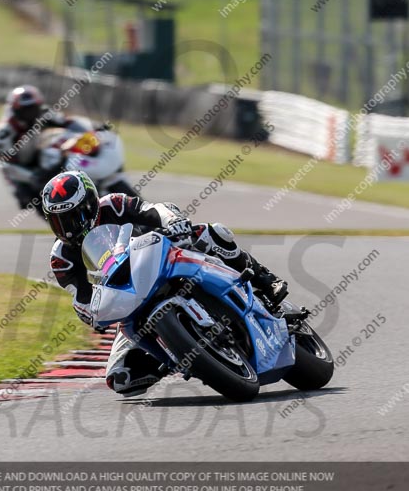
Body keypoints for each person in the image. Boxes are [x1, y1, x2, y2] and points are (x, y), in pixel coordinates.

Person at [42, 170, 288, 397]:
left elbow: (154, 210)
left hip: (162, 254)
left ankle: (264, 279)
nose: (67, 228)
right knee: (121, 378)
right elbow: (81, 296)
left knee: (210, 233)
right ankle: (177, 353)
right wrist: (89, 312)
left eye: (72, 217)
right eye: (58, 221)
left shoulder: (114, 205)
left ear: (90, 205)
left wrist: (173, 221)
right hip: (129, 296)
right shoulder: (61, 258)